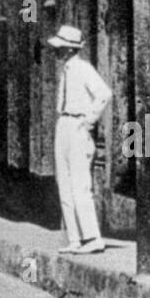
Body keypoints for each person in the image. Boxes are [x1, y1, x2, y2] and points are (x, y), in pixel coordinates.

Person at [47, 24, 111, 255]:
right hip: (63, 124)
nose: (55, 51)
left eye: (59, 47)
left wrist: (88, 121)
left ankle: (93, 238)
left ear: (69, 49)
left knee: (80, 185)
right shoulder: (65, 70)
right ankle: (74, 238)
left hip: (77, 126)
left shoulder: (83, 69)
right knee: (64, 185)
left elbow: (104, 94)